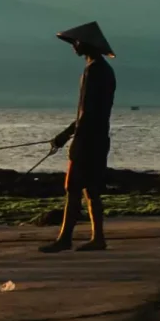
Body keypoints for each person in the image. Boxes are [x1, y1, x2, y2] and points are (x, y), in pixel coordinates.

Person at [41, 22, 116, 253]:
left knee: (72, 187)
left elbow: (86, 111)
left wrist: (67, 135)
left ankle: (65, 238)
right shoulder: (103, 70)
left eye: (76, 42)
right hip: (99, 136)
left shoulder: (93, 71)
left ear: (85, 44)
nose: (74, 45)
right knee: (91, 189)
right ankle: (98, 237)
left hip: (88, 138)